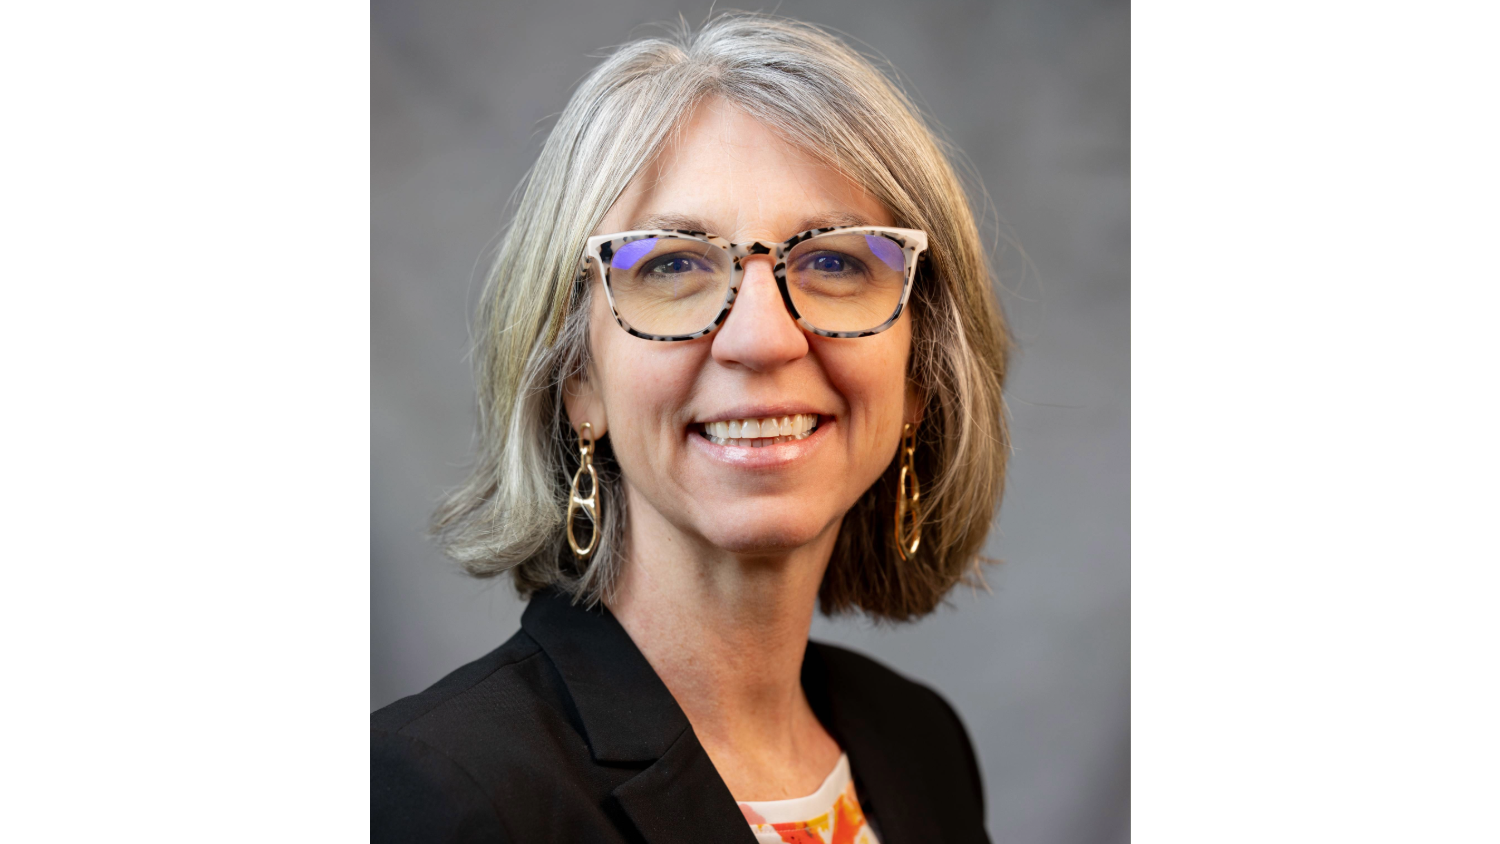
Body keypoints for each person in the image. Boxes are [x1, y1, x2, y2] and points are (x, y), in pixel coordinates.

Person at [372, 13, 1010, 843]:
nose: (764, 339)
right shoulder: (437, 794)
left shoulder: (919, 744)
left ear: (918, 372)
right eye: (672, 264)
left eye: (835, 261)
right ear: (576, 380)